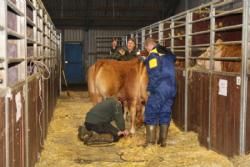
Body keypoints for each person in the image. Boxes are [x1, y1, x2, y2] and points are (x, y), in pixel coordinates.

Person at [142, 38, 176, 147]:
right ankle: (163, 141)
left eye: (146, 49)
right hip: (171, 88)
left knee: (151, 111)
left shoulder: (152, 56)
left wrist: (150, 90)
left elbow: (154, 75)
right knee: (165, 111)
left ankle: (151, 143)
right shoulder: (167, 54)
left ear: (148, 47)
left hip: (160, 88)